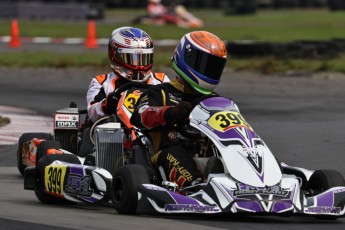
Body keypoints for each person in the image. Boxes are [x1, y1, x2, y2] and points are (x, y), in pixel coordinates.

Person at [130, 31, 227, 189]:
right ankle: (195, 186)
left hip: (206, 153)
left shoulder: (215, 100)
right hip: (167, 152)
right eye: (205, 64)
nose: (210, 70)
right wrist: (170, 113)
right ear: (187, 59)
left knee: (231, 152)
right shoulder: (160, 92)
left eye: (214, 66)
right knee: (175, 153)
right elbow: (140, 116)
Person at [86, 26, 170, 123]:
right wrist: (106, 105)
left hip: (153, 131)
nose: (139, 64)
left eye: (143, 58)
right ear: (115, 56)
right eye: (132, 58)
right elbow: (91, 113)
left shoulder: (161, 80)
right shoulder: (102, 82)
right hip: (117, 134)